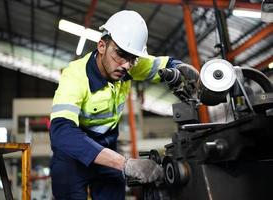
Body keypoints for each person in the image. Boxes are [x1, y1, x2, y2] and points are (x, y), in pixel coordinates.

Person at [49, 10, 199, 200]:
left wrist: (179, 67)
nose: (127, 65)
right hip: (72, 157)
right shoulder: (75, 76)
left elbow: (162, 64)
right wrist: (125, 164)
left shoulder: (128, 64)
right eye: (120, 55)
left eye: (132, 58)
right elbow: (61, 131)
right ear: (102, 46)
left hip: (108, 150)